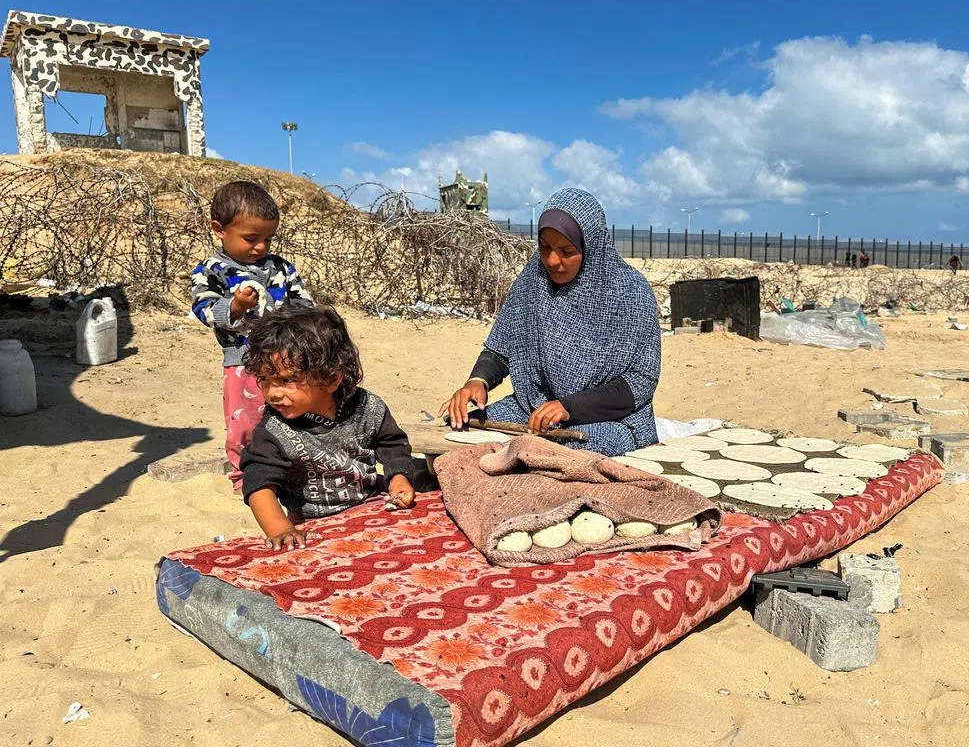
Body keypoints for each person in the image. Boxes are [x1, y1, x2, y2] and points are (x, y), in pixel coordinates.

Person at [440, 188, 661, 457]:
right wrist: (478, 381)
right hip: (536, 409)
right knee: (462, 429)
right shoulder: (532, 281)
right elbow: (501, 347)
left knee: (578, 450)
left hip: (607, 420)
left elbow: (640, 380)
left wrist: (570, 407)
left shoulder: (630, 292)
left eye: (567, 251)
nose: (553, 261)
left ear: (590, 245)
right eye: (545, 247)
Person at [240, 306, 416, 550]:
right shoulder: (274, 429)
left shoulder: (368, 408)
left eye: (287, 380)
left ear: (332, 378)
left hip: (374, 508)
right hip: (314, 526)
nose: (273, 393)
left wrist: (398, 478)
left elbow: (392, 444)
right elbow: (259, 482)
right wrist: (281, 530)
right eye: (265, 380)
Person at [190, 181, 313, 492]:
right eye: (251, 238)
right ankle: (245, 476)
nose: (260, 247)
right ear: (219, 229)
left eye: (268, 239)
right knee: (244, 423)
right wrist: (234, 306)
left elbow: (303, 302)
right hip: (243, 362)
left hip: (288, 361)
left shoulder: (281, 268)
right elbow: (202, 307)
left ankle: (293, 468)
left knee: (291, 414)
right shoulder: (212, 270)